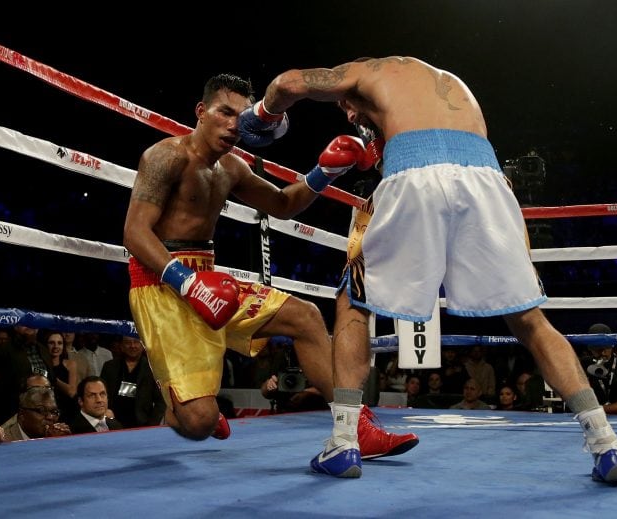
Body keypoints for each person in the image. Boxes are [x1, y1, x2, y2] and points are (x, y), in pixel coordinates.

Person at [240, 56, 617, 484]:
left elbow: (288, 82)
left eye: (346, 108)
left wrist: (261, 118)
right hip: (487, 180)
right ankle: (607, 445)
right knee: (530, 321)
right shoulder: (447, 84)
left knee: (353, 302)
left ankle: (343, 441)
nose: (350, 115)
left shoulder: (366, 70)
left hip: (416, 177)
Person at [123, 73, 415, 479]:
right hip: (161, 283)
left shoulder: (231, 168)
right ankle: (181, 407)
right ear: (201, 112)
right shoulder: (165, 156)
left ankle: (355, 427)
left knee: (306, 316)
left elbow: (281, 204)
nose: (233, 125)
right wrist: (185, 282)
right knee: (199, 424)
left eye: (242, 117)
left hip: (208, 277)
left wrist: (323, 172)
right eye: (225, 112)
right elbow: (134, 232)